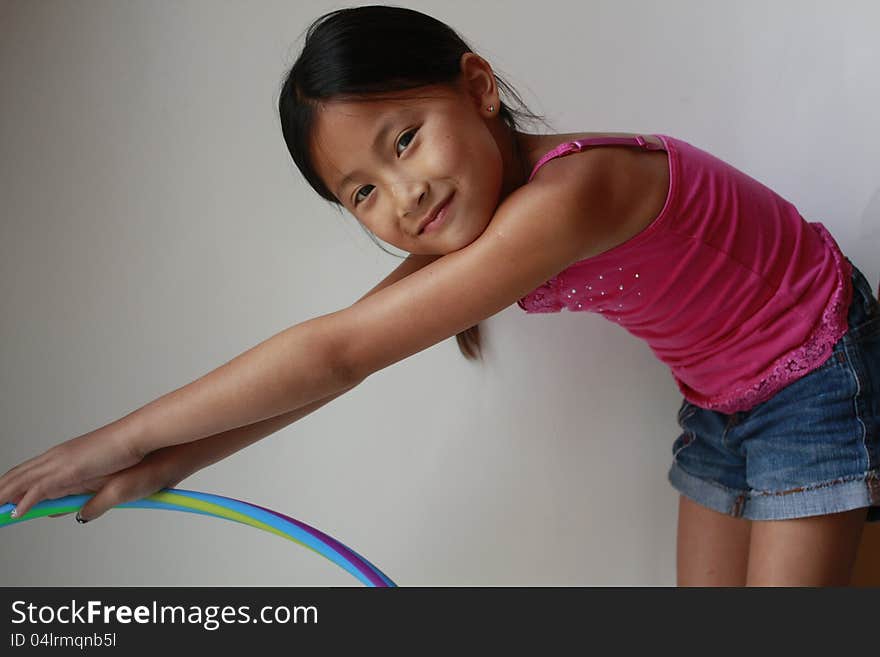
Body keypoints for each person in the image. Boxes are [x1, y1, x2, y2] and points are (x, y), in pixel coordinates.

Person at [2, 5, 879, 586]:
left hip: (815, 372)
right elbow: (345, 351)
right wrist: (174, 462)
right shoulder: (489, 221)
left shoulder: (569, 198)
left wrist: (107, 440)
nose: (404, 194)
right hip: (722, 397)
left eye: (407, 139)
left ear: (480, 88)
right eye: (363, 193)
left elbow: (336, 352)